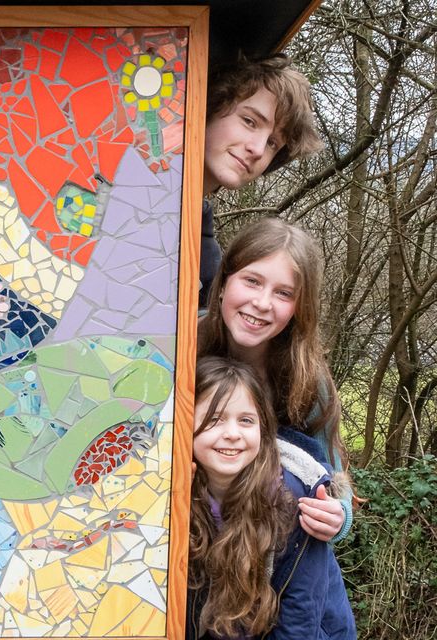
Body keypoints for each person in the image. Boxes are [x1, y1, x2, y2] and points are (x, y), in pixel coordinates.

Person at [198, 217, 353, 543]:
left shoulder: (307, 378)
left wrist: (339, 516)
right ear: (223, 282)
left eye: (283, 293)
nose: (262, 303)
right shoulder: (180, 342)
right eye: (252, 281)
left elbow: (335, 476)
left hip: (266, 549)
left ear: (299, 307)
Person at [187, 356, 356, 639]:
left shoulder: (294, 499)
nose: (232, 434)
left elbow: (302, 611)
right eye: (214, 419)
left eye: (246, 420)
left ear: (263, 429)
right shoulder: (174, 493)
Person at [199, 54, 324, 307]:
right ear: (212, 105)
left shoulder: (206, 260)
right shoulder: (127, 182)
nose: (257, 149)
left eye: (272, 143)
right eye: (249, 121)